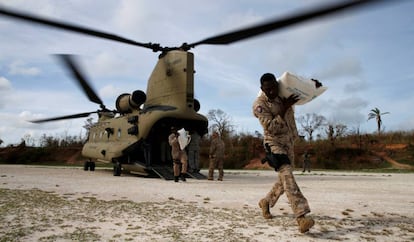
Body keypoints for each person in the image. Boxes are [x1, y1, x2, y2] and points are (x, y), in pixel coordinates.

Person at [252, 73, 315, 233]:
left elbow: (302, 89)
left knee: (284, 180)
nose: (272, 91)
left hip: (288, 142)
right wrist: (284, 108)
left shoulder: (283, 94)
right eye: (268, 89)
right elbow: (271, 127)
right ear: (262, 89)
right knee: (287, 175)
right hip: (273, 143)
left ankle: (266, 201)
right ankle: (301, 216)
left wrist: (313, 85)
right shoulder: (259, 105)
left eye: (274, 87)